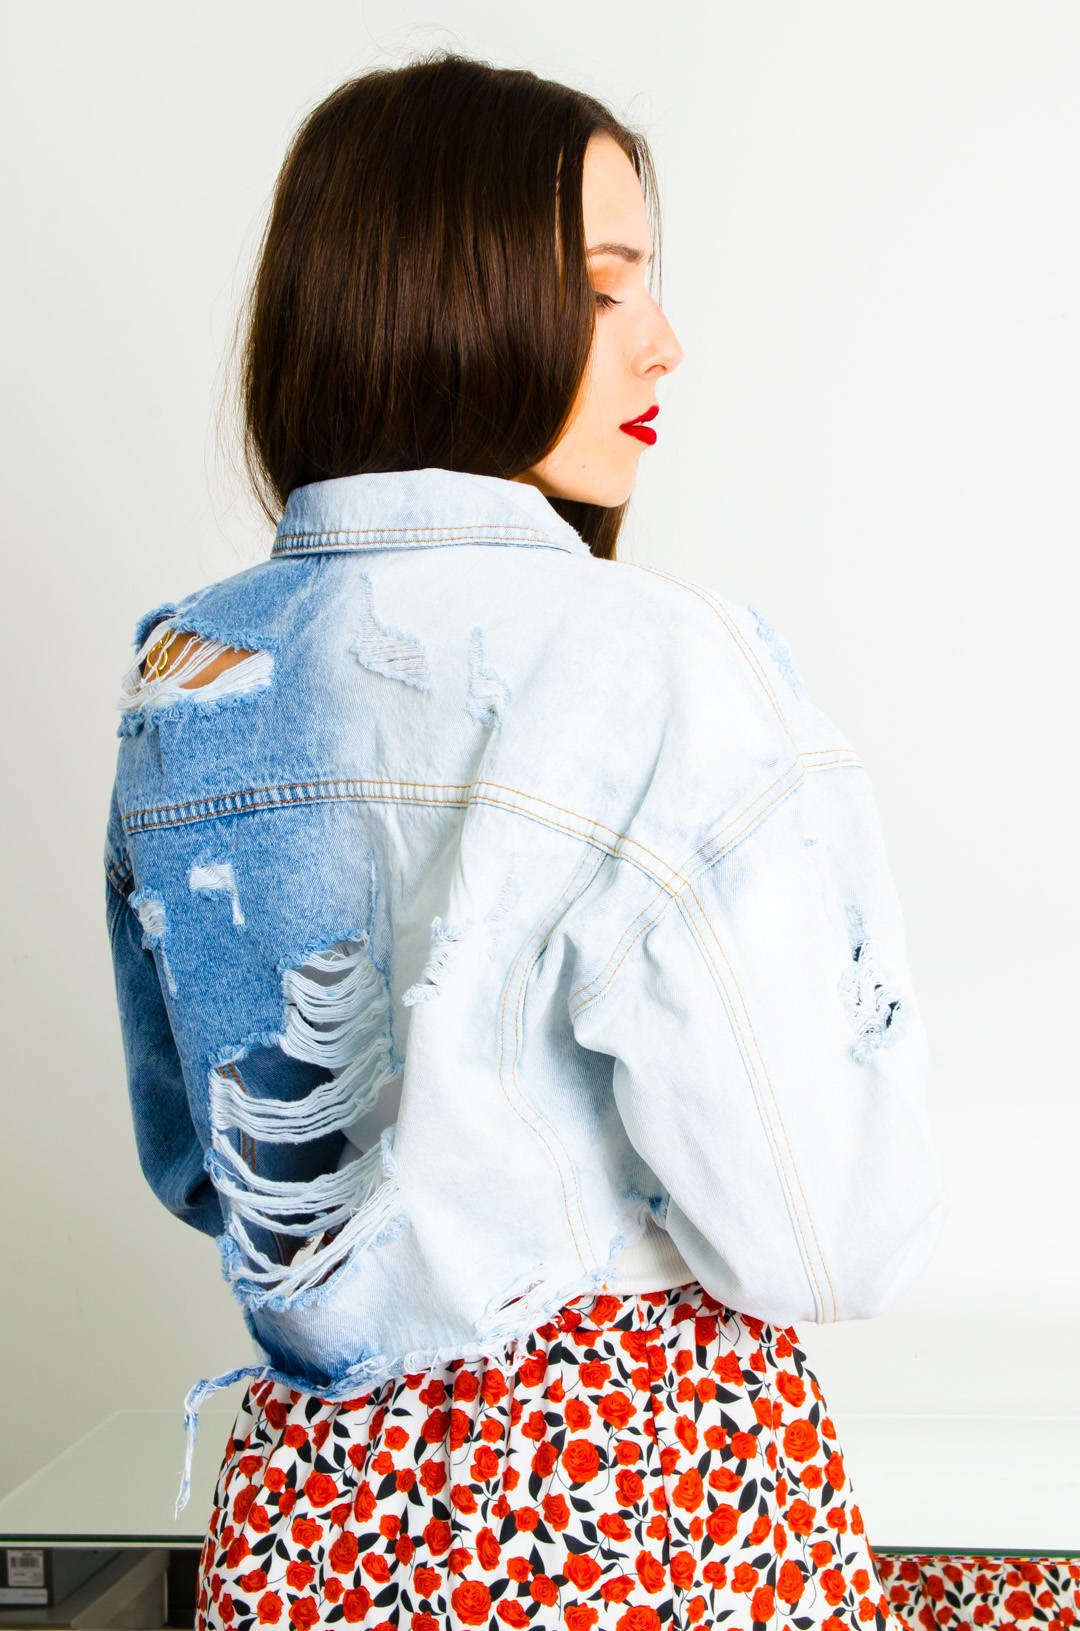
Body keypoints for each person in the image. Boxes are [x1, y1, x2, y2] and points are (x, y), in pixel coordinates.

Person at [103, 49, 949, 1631]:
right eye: (607, 285)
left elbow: (200, 1166)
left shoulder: (187, 679)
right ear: (449, 295)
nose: (663, 339)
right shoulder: (653, 662)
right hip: (630, 1523)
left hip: (309, 1529)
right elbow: (827, 1236)